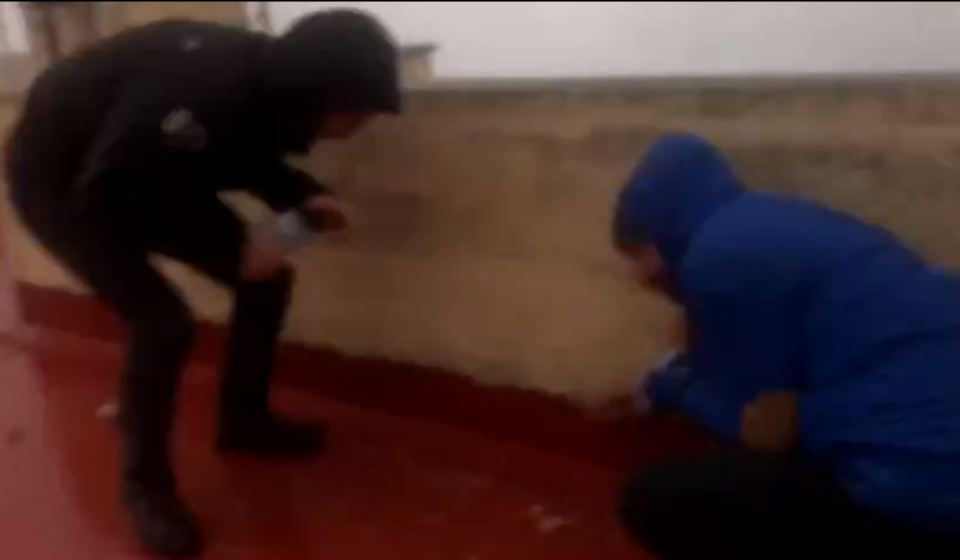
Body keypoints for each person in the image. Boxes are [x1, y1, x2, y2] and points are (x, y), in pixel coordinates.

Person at [5, 10, 398, 557]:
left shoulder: (263, 83)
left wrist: (301, 196)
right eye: (354, 113)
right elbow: (114, 191)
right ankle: (146, 488)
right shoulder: (199, 90)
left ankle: (245, 421)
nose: (358, 127)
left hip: (147, 169)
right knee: (162, 322)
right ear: (315, 91)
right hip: (65, 184)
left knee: (268, 281)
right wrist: (240, 249)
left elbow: (238, 148)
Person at [611, 133, 960, 559]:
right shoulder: (773, 225)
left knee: (656, 497)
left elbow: (765, 428)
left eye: (639, 256)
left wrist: (671, 387)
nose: (641, 278)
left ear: (657, 235)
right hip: (932, 451)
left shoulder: (715, 259)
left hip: (920, 499)